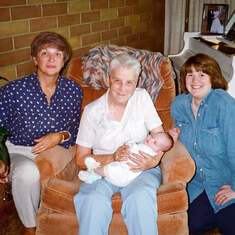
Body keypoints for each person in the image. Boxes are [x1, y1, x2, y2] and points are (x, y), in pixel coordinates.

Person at [0, 31, 83, 235]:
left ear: (64, 61)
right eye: (45, 53)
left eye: (57, 54)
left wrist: (59, 136)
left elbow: (75, 128)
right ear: (35, 59)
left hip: (55, 147)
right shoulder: (13, 90)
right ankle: (30, 228)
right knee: (27, 173)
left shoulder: (73, 90)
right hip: (17, 148)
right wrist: (0, 158)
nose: (52, 59)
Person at [74, 54, 166, 235]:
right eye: (117, 81)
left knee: (140, 198)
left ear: (137, 82)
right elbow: (80, 159)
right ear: (108, 79)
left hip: (140, 168)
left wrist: (153, 162)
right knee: (92, 200)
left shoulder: (142, 98)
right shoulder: (92, 111)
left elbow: (160, 139)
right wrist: (112, 157)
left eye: (129, 82)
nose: (123, 89)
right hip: (103, 169)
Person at [170, 53, 235, 235]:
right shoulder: (180, 104)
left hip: (226, 182)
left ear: (212, 78)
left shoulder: (224, 105)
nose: (195, 80)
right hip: (198, 184)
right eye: (190, 74)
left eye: (201, 74)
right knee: (189, 226)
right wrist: (171, 138)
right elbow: (176, 134)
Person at [79, 132, 173, 187]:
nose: (151, 139)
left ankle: (93, 170)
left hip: (124, 174)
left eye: (155, 143)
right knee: (111, 167)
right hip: (122, 166)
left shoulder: (150, 152)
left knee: (112, 169)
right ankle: (95, 176)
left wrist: (130, 143)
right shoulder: (145, 145)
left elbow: (133, 149)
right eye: (152, 136)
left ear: (159, 152)